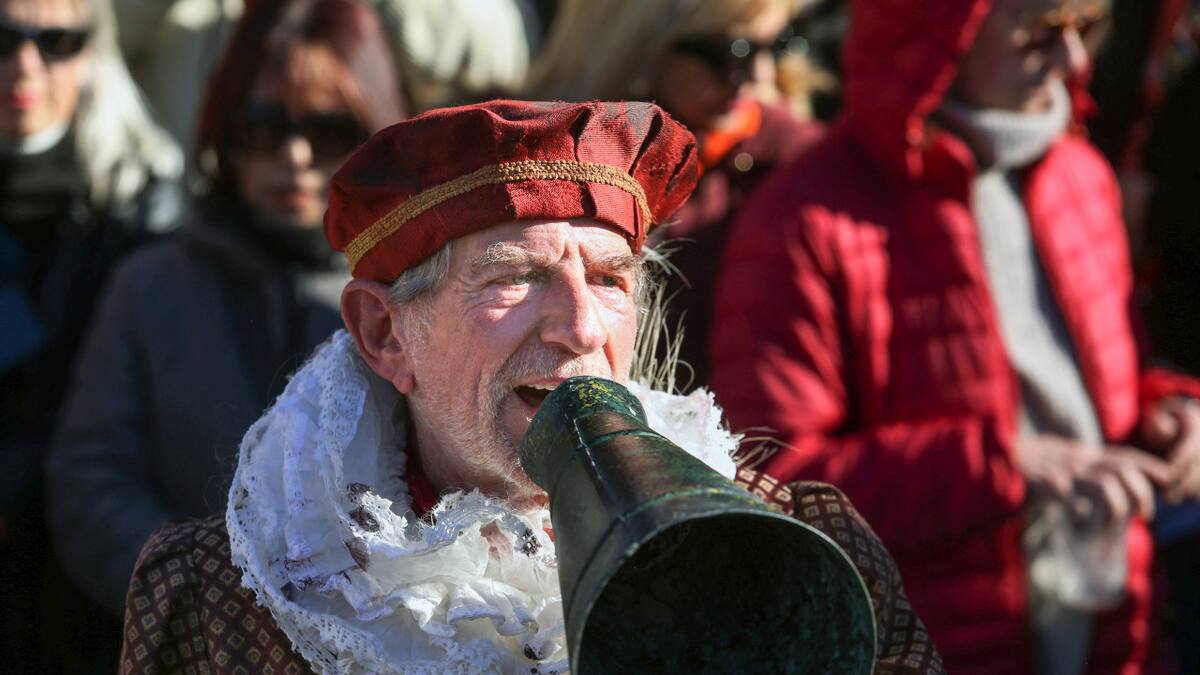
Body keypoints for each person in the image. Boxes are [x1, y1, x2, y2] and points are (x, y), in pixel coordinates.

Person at [117, 99, 943, 674]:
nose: (581, 328)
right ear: (385, 334)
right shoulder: (234, 596)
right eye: (515, 277)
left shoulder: (798, 554)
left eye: (610, 279)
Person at [709, 0, 1200, 673]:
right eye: (1041, 34)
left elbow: (1114, 380)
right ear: (936, 31)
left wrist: (1170, 413)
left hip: (1114, 635)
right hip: (935, 648)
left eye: (1088, 30)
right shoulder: (805, 219)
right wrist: (1002, 465)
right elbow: (772, 484)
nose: (1073, 60)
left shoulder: (1080, 175)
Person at [46, 0, 406, 629]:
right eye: (264, 128)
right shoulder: (151, 285)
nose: (295, 156)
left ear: (377, 135)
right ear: (224, 132)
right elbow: (90, 480)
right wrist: (209, 596)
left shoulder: (418, 293)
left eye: (329, 130)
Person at [0, 0, 181, 669]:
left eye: (57, 41)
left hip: (91, 592)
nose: (25, 66)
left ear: (92, 52)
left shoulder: (145, 207)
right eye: (2, 39)